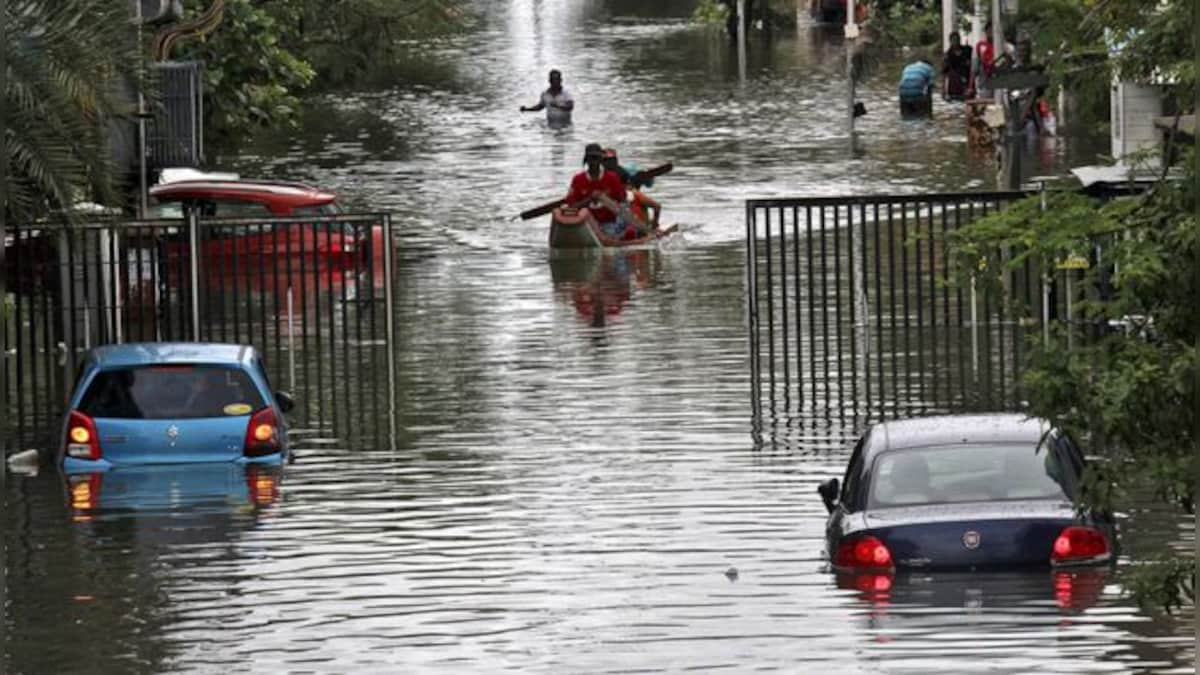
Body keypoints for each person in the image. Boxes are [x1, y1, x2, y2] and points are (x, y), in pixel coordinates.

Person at [565, 143, 629, 240]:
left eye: (596, 158)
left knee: (611, 232)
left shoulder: (612, 178)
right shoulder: (578, 179)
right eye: (590, 158)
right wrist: (590, 199)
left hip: (608, 223)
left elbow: (622, 202)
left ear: (600, 160)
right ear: (586, 160)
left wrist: (605, 199)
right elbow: (572, 207)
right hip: (585, 224)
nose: (593, 162)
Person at [942, 32, 971, 101]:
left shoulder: (967, 50)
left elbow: (972, 67)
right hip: (954, 86)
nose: (955, 42)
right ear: (950, 41)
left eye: (957, 39)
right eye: (953, 40)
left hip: (966, 84)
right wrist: (943, 90)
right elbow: (944, 72)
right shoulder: (948, 55)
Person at [972, 23, 996, 98]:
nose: (990, 33)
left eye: (992, 31)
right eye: (988, 31)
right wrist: (971, 86)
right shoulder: (980, 46)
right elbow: (974, 68)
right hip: (985, 82)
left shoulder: (1004, 46)